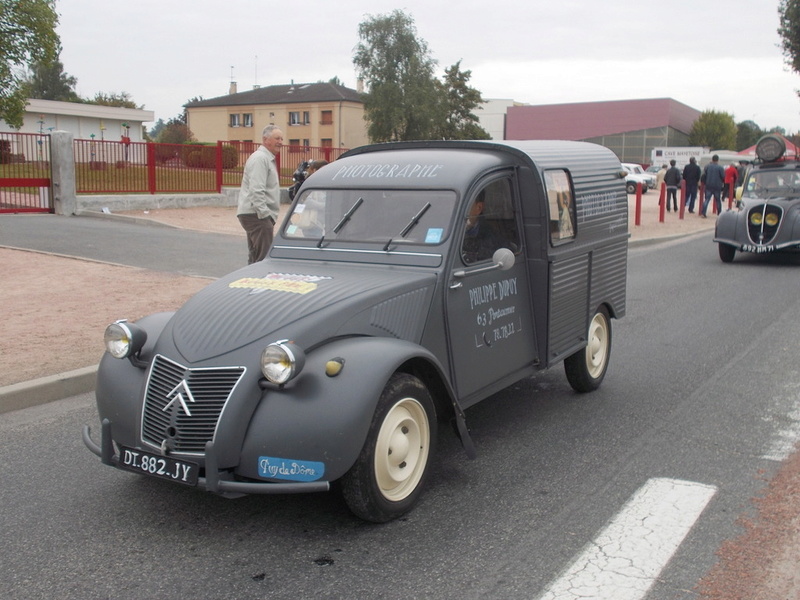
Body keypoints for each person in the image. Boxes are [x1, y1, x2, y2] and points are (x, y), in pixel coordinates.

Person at [237, 124, 284, 263]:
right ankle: (260, 283)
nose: (281, 142)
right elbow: (256, 190)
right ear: (266, 140)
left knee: (256, 257)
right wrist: (265, 215)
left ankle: (249, 283)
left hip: (254, 214)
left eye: (282, 138)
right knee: (264, 259)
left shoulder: (265, 158)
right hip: (257, 215)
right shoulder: (260, 159)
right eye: (277, 138)